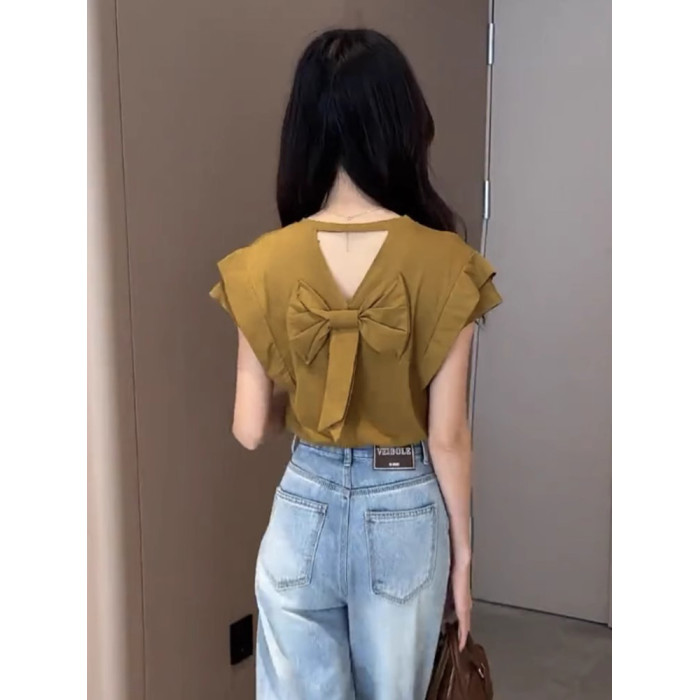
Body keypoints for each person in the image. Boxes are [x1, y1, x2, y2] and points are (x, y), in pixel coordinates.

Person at [210, 28, 502, 700]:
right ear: (404, 126)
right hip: (404, 510)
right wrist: (463, 559)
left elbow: (249, 429)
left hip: (301, 512)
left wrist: (307, 389)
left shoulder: (260, 265)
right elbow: (448, 437)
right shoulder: (448, 263)